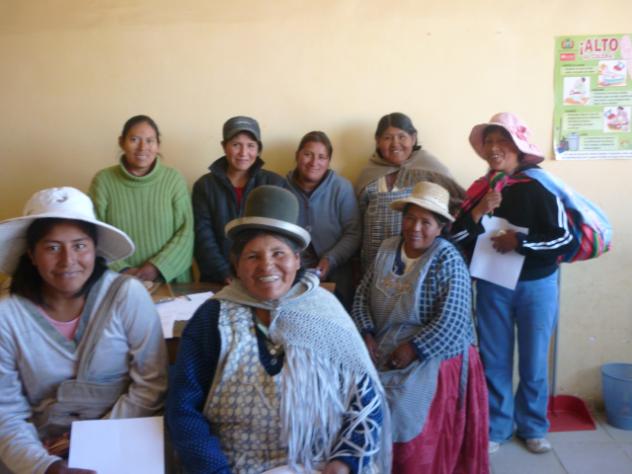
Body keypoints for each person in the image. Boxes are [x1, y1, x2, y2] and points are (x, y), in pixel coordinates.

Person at [167, 185, 390, 474]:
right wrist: (214, 470)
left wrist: (345, 462)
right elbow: (183, 407)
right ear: (236, 264)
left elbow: (365, 399)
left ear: (297, 259)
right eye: (252, 256)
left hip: (322, 465)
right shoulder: (213, 318)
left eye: (278, 253)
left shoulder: (326, 312)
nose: (267, 266)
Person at [0, 187, 168, 474]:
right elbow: (6, 412)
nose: (68, 261)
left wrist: (87, 443)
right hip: (38, 447)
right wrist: (45, 465)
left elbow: (151, 386)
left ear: (94, 249)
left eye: (79, 246)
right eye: (52, 248)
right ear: (31, 255)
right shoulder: (7, 315)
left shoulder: (126, 295)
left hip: (124, 438)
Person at [451, 112, 574, 455]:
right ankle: (497, 427)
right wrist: (479, 211)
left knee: (534, 361)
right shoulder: (480, 189)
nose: (493, 147)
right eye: (488, 141)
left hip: (537, 286)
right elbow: (455, 237)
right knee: (494, 360)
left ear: (519, 146)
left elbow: (563, 239)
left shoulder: (541, 187)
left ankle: (533, 427)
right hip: (492, 286)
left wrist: (520, 242)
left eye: (501, 141)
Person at [352, 181, 489, 473]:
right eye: (410, 218)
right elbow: (362, 295)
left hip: (435, 351)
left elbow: (452, 321)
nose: (415, 228)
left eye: (426, 222)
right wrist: (366, 333)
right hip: (384, 342)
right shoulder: (387, 249)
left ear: (440, 228)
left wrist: (414, 349)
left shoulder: (447, 259)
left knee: (403, 407)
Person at [89, 114, 194, 283]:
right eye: (134, 139)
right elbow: (93, 233)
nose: (142, 147)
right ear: (121, 142)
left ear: (158, 145)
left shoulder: (173, 179)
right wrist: (122, 269)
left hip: (170, 281)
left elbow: (186, 231)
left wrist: (157, 267)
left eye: (150, 141)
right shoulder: (103, 181)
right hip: (117, 280)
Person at [355, 112, 465, 271]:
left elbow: (456, 202)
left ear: (413, 138)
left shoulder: (429, 168)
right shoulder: (368, 173)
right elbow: (358, 217)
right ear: (377, 141)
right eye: (387, 138)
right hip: (373, 255)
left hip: (414, 256)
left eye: (402, 137)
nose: (395, 144)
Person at [192, 116, 286, 284]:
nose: (243, 153)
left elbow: (281, 237)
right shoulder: (205, 186)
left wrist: (258, 271)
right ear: (224, 146)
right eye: (236, 145)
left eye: (250, 145)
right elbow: (203, 237)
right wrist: (224, 273)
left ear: (258, 149)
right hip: (217, 279)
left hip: (264, 277)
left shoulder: (275, 184)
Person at [285, 131, 360, 309]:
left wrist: (330, 260)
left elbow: (353, 233)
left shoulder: (341, 188)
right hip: (292, 277)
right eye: (308, 154)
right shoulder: (282, 188)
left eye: (321, 157)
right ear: (297, 155)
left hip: (337, 275)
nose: (314, 162)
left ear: (328, 161)